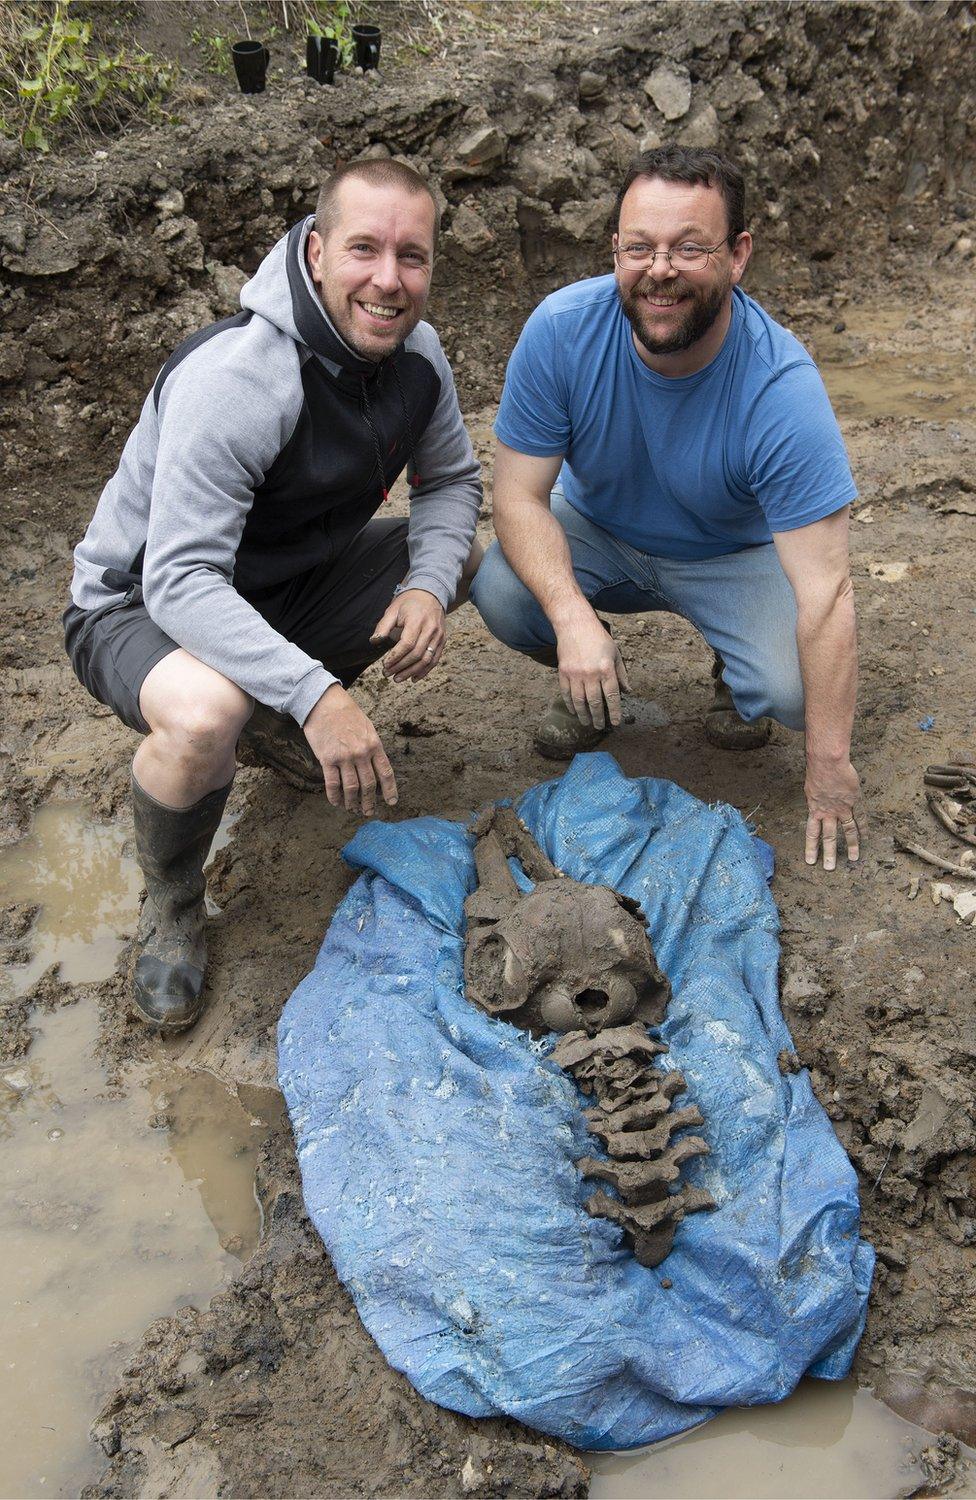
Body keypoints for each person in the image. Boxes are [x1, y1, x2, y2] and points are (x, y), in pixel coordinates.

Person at [64, 158, 482, 1033]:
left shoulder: (420, 356)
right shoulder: (242, 376)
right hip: (138, 602)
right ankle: (176, 905)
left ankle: (276, 711)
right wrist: (317, 693)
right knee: (208, 712)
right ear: (318, 251)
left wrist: (428, 586)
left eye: (413, 256)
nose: (388, 279)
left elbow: (449, 484)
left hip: (281, 588)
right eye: (364, 249)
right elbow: (179, 578)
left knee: (455, 560)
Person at [471, 145, 861, 875]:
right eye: (640, 247)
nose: (659, 271)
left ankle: (732, 670)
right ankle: (587, 677)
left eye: (690, 248)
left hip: (730, 556)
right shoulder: (561, 330)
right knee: (500, 589)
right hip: (601, 535)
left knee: (796, 691)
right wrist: (572, 618)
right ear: (614, 248)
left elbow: (827, 590)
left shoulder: (780, 389)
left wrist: (829, 768)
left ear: (738, 255)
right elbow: (518, 497)